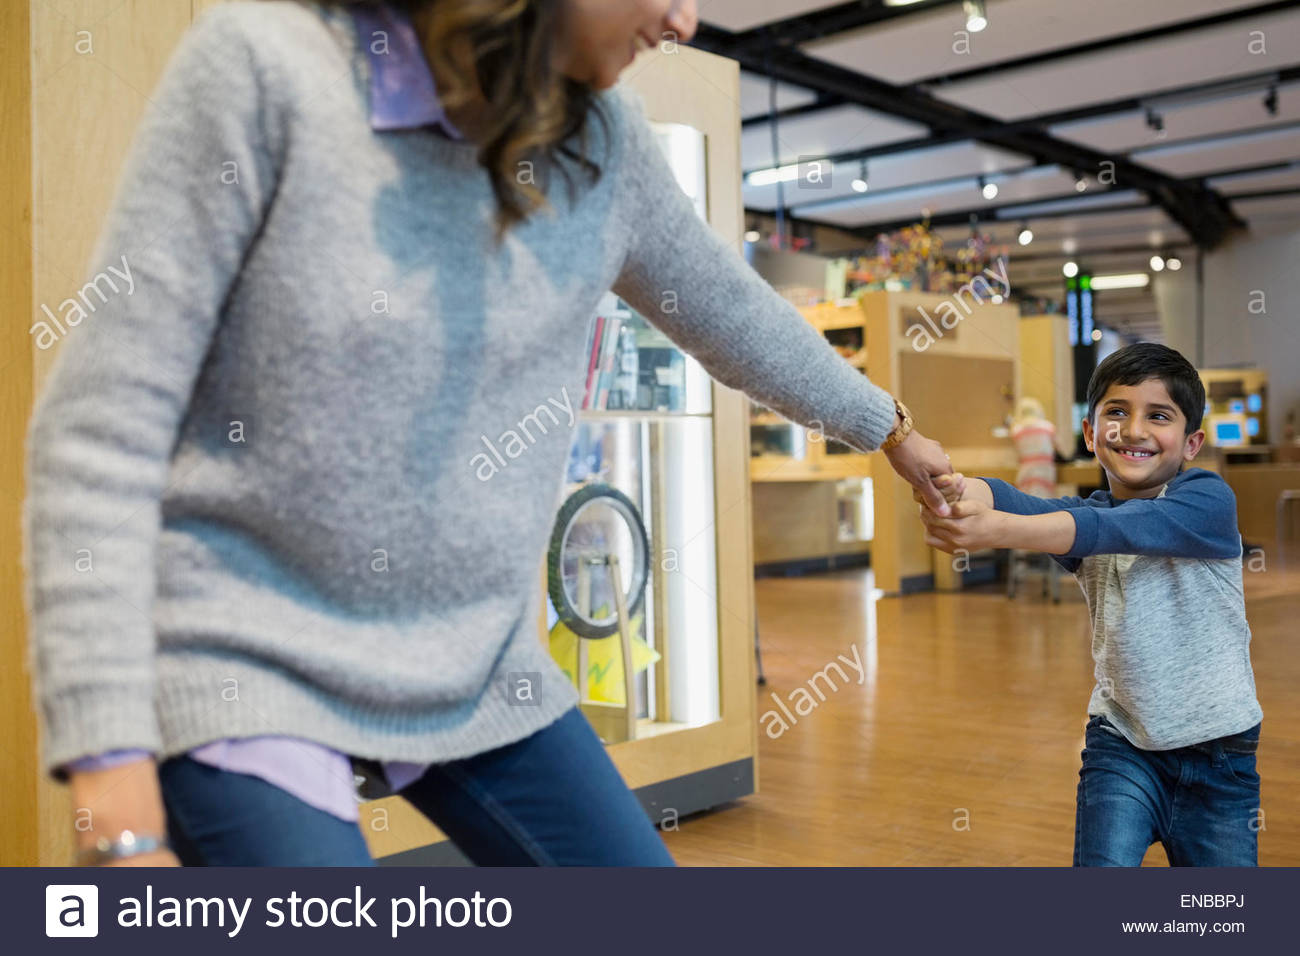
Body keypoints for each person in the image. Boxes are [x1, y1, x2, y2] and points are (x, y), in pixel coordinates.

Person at [24, 0, 959, 867]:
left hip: (479, 664)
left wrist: (889, 429)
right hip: (247, 659)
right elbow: (101, 433)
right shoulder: (269, 69)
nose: (683, 19)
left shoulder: (605, 145)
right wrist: (109, 773)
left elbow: (734, 314)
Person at [917, 343, 1263, 866]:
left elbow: (1111, 529)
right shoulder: (1088, 515)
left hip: (1219, 755)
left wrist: (997, 531)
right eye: (1117, 412)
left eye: (1159, 416)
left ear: (1191, 443)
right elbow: (1018, 500)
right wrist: (955, 492)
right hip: (1121, 743)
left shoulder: (1207, 502)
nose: (1135, 429)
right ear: (1089, 433)